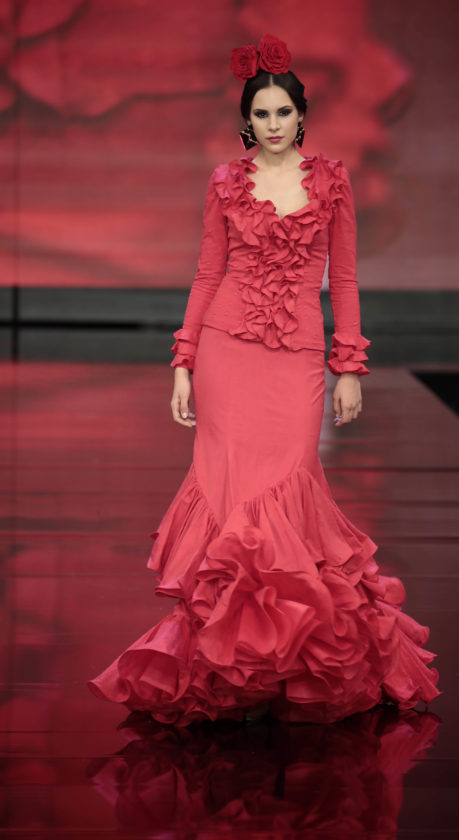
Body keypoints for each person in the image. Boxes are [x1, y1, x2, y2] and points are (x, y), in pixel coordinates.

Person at [88, 34, 441, 725]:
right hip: (226, 353)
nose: (273, 123)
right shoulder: (225, 181)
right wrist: (184, 362)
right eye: (262, 113)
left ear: (300, 116)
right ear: (246, 120)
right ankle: (228, 665)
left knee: (288, 488)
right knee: (230, 502)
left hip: (296, 358)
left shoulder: (332, 181)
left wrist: (349, 367)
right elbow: (207, 274)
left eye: (283, 112)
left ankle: (293, 660)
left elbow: (345, 280)